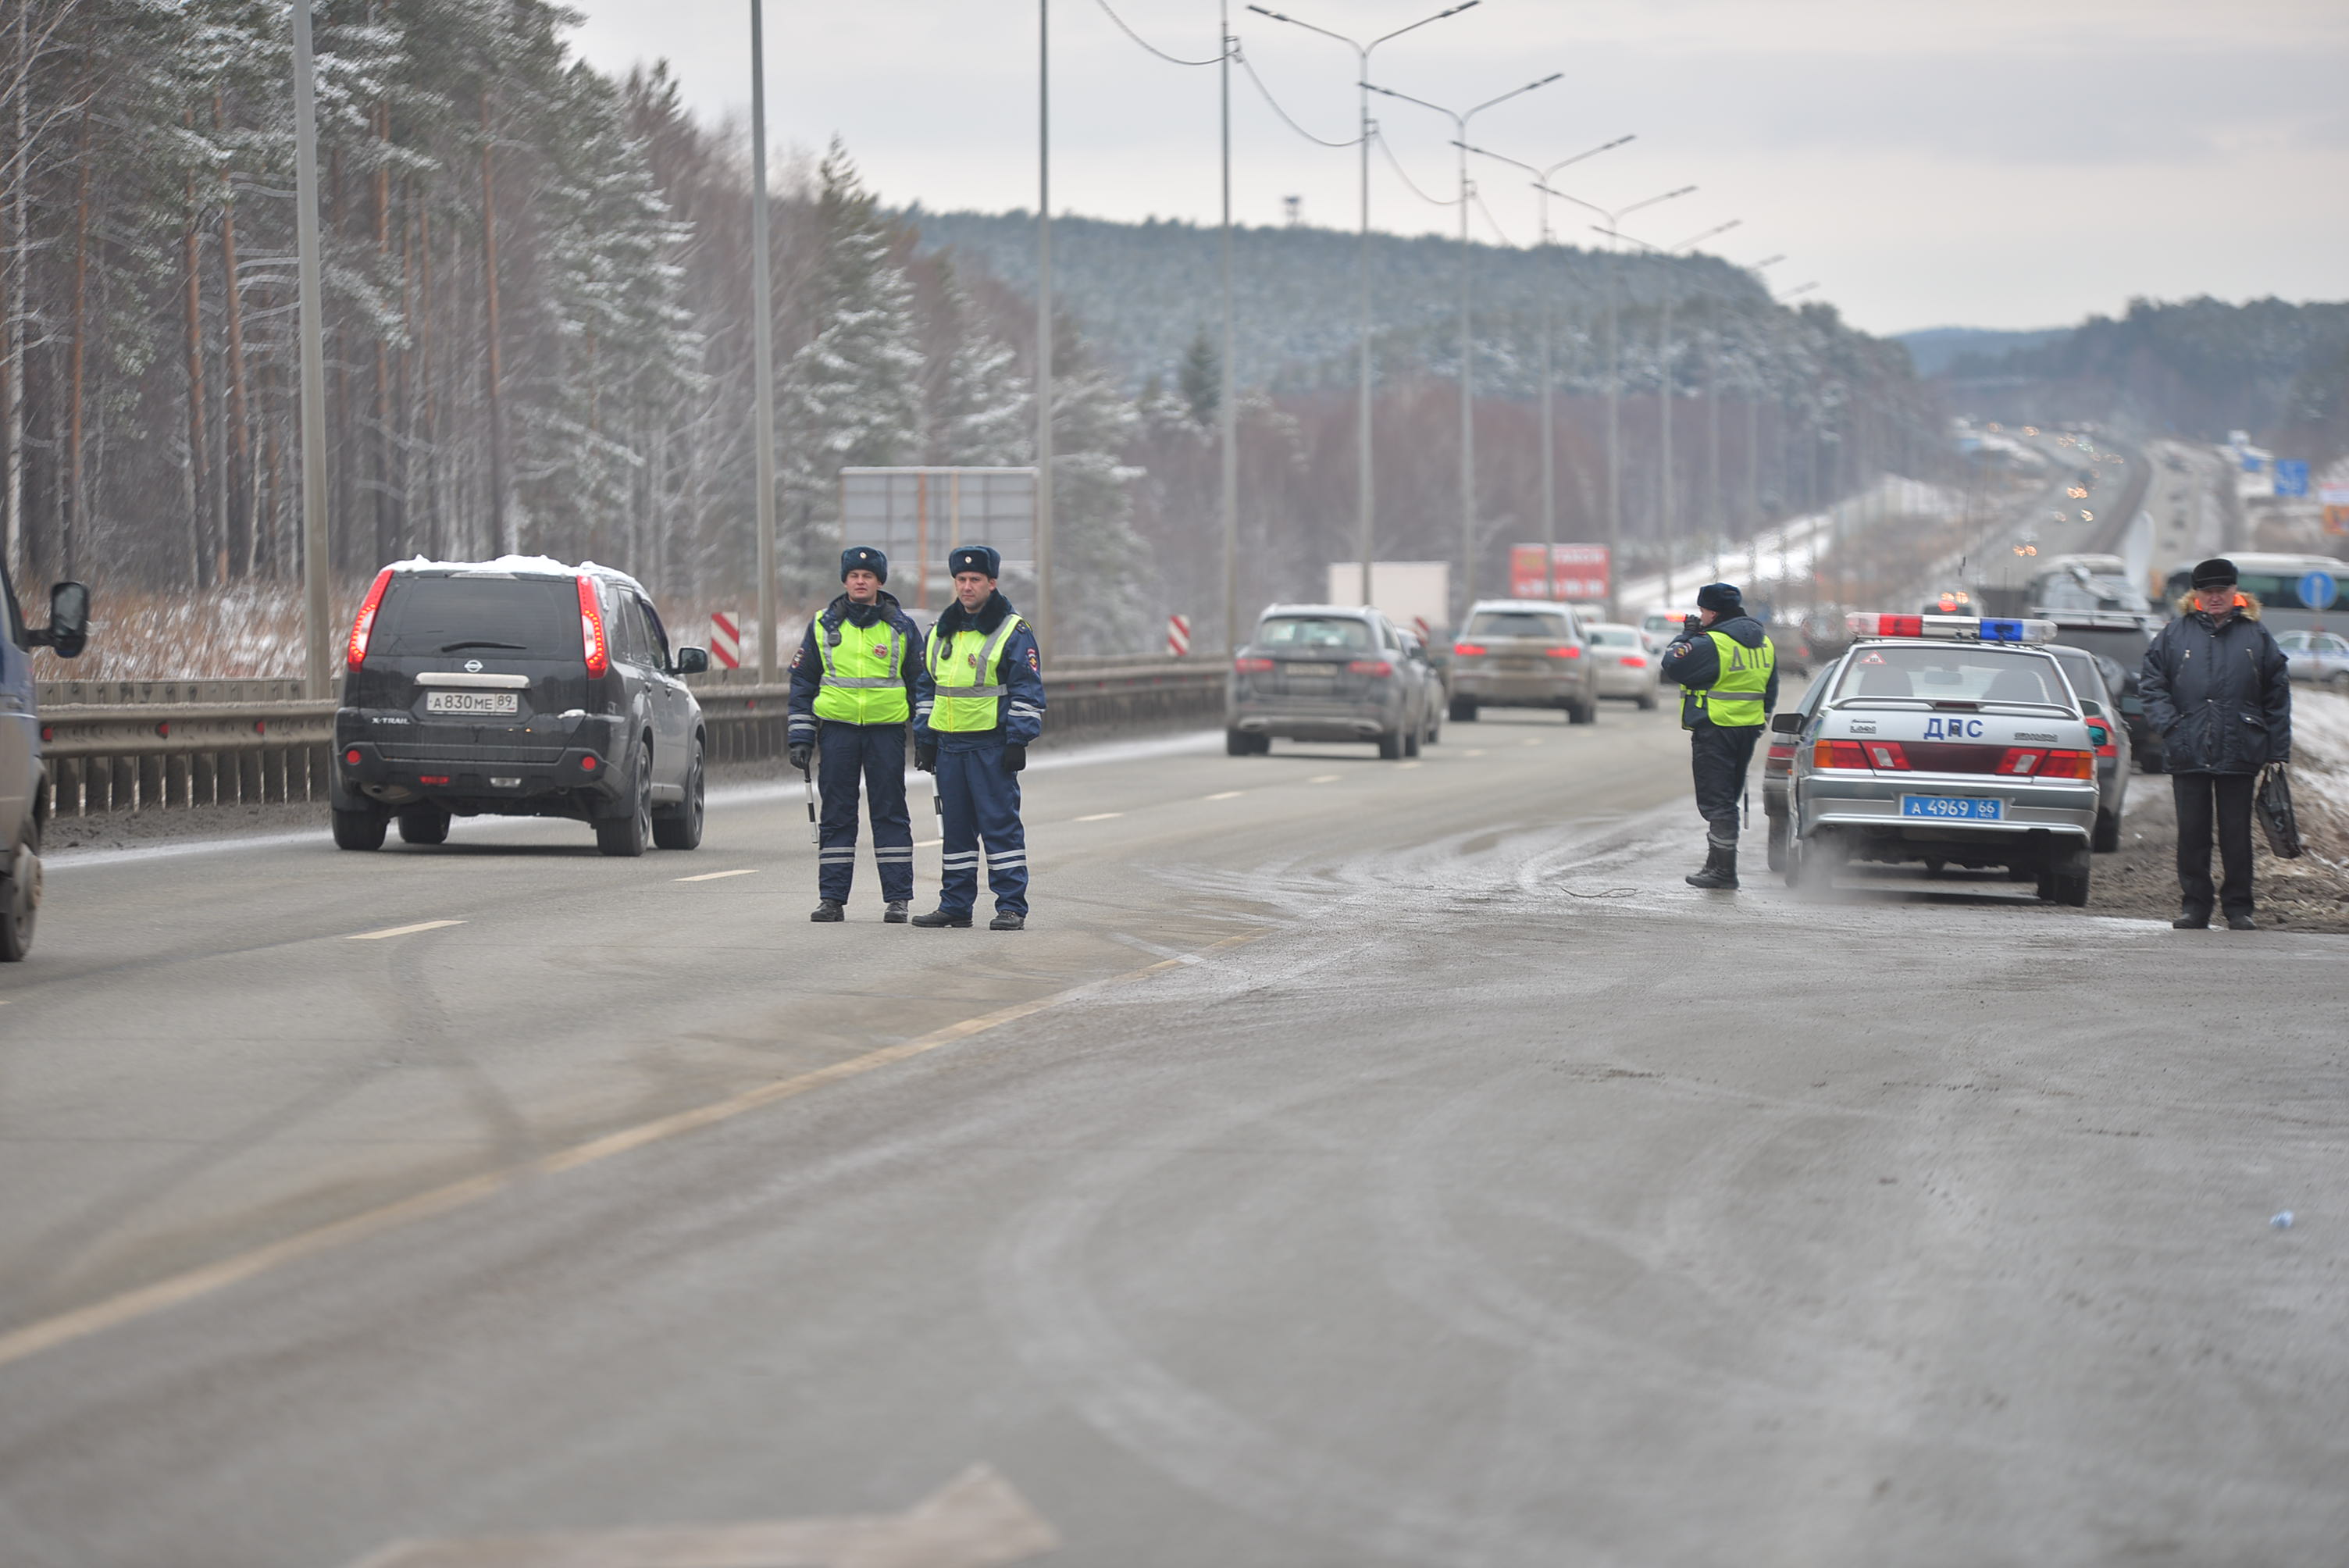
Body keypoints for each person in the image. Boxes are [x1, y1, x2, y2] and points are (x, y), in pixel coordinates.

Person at [2139, 557, 2291, 930]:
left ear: (2235, 591)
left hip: (2241, 747)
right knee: (2192, 834)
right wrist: (2170, 726)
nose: (2215, 597)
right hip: (2187, 746)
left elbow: (2277, 695)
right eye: (2207, 591)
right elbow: (2152, 684)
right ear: (2197, 594)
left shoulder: (2256, 636)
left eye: (2222, 590)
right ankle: (2195, 907)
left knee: (2236, 834)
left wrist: (2277, 750)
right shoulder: (2174, 634)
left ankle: (2239, 908)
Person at [911, 545, 1044, 930]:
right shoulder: (940, 631)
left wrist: (1018, 741)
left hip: (991, 746)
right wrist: (925, 739)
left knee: (1000, 828)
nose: (967, 587)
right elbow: (927, 688)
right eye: (961, 580)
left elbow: (1027, 690)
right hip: (950, 747)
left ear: (992, 583)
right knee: (955, 832)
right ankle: (955, 905)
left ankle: (1011, 906)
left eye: (975, 580)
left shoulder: (1012, 631)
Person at [787, 546, 922, 923]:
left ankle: (898, 899)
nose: (860, 582)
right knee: (836, 815)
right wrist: (800, 736)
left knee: (890, 813)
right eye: (853, 576)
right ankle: (832, 899)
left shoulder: (901, 628)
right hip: (837, 732)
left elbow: (921, 684)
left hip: (886, 732)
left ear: (879, 581)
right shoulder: (822, 625)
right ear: (845, 581)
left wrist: (926, 738)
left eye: (868, 576)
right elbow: (803, 682)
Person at [1660, 582, 1777, 890]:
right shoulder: (1764, 642)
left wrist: (1686, 636)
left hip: (1715, 727)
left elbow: (1673, 665)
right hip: (1747, 729)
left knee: (1718, 801)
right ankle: (1716, 864)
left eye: (1703, 611)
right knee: (1728, 797)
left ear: (1713, 612)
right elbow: (1771, 687)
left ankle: (1723, 871)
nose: (1701, 616)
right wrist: (1760, 719)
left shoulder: (1713, 643)